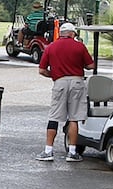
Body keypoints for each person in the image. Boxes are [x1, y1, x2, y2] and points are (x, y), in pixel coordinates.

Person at [37, 22, 95, 161]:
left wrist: (55, 75)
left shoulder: (51, 47)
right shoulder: (79, 46)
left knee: (54, 116)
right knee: (73, 117)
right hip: (77, 82)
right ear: (72, 33)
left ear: (61, 33)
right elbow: (91, 65)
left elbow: (42, 70)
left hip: (59, 82)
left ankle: (48, 151)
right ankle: (72, 152)